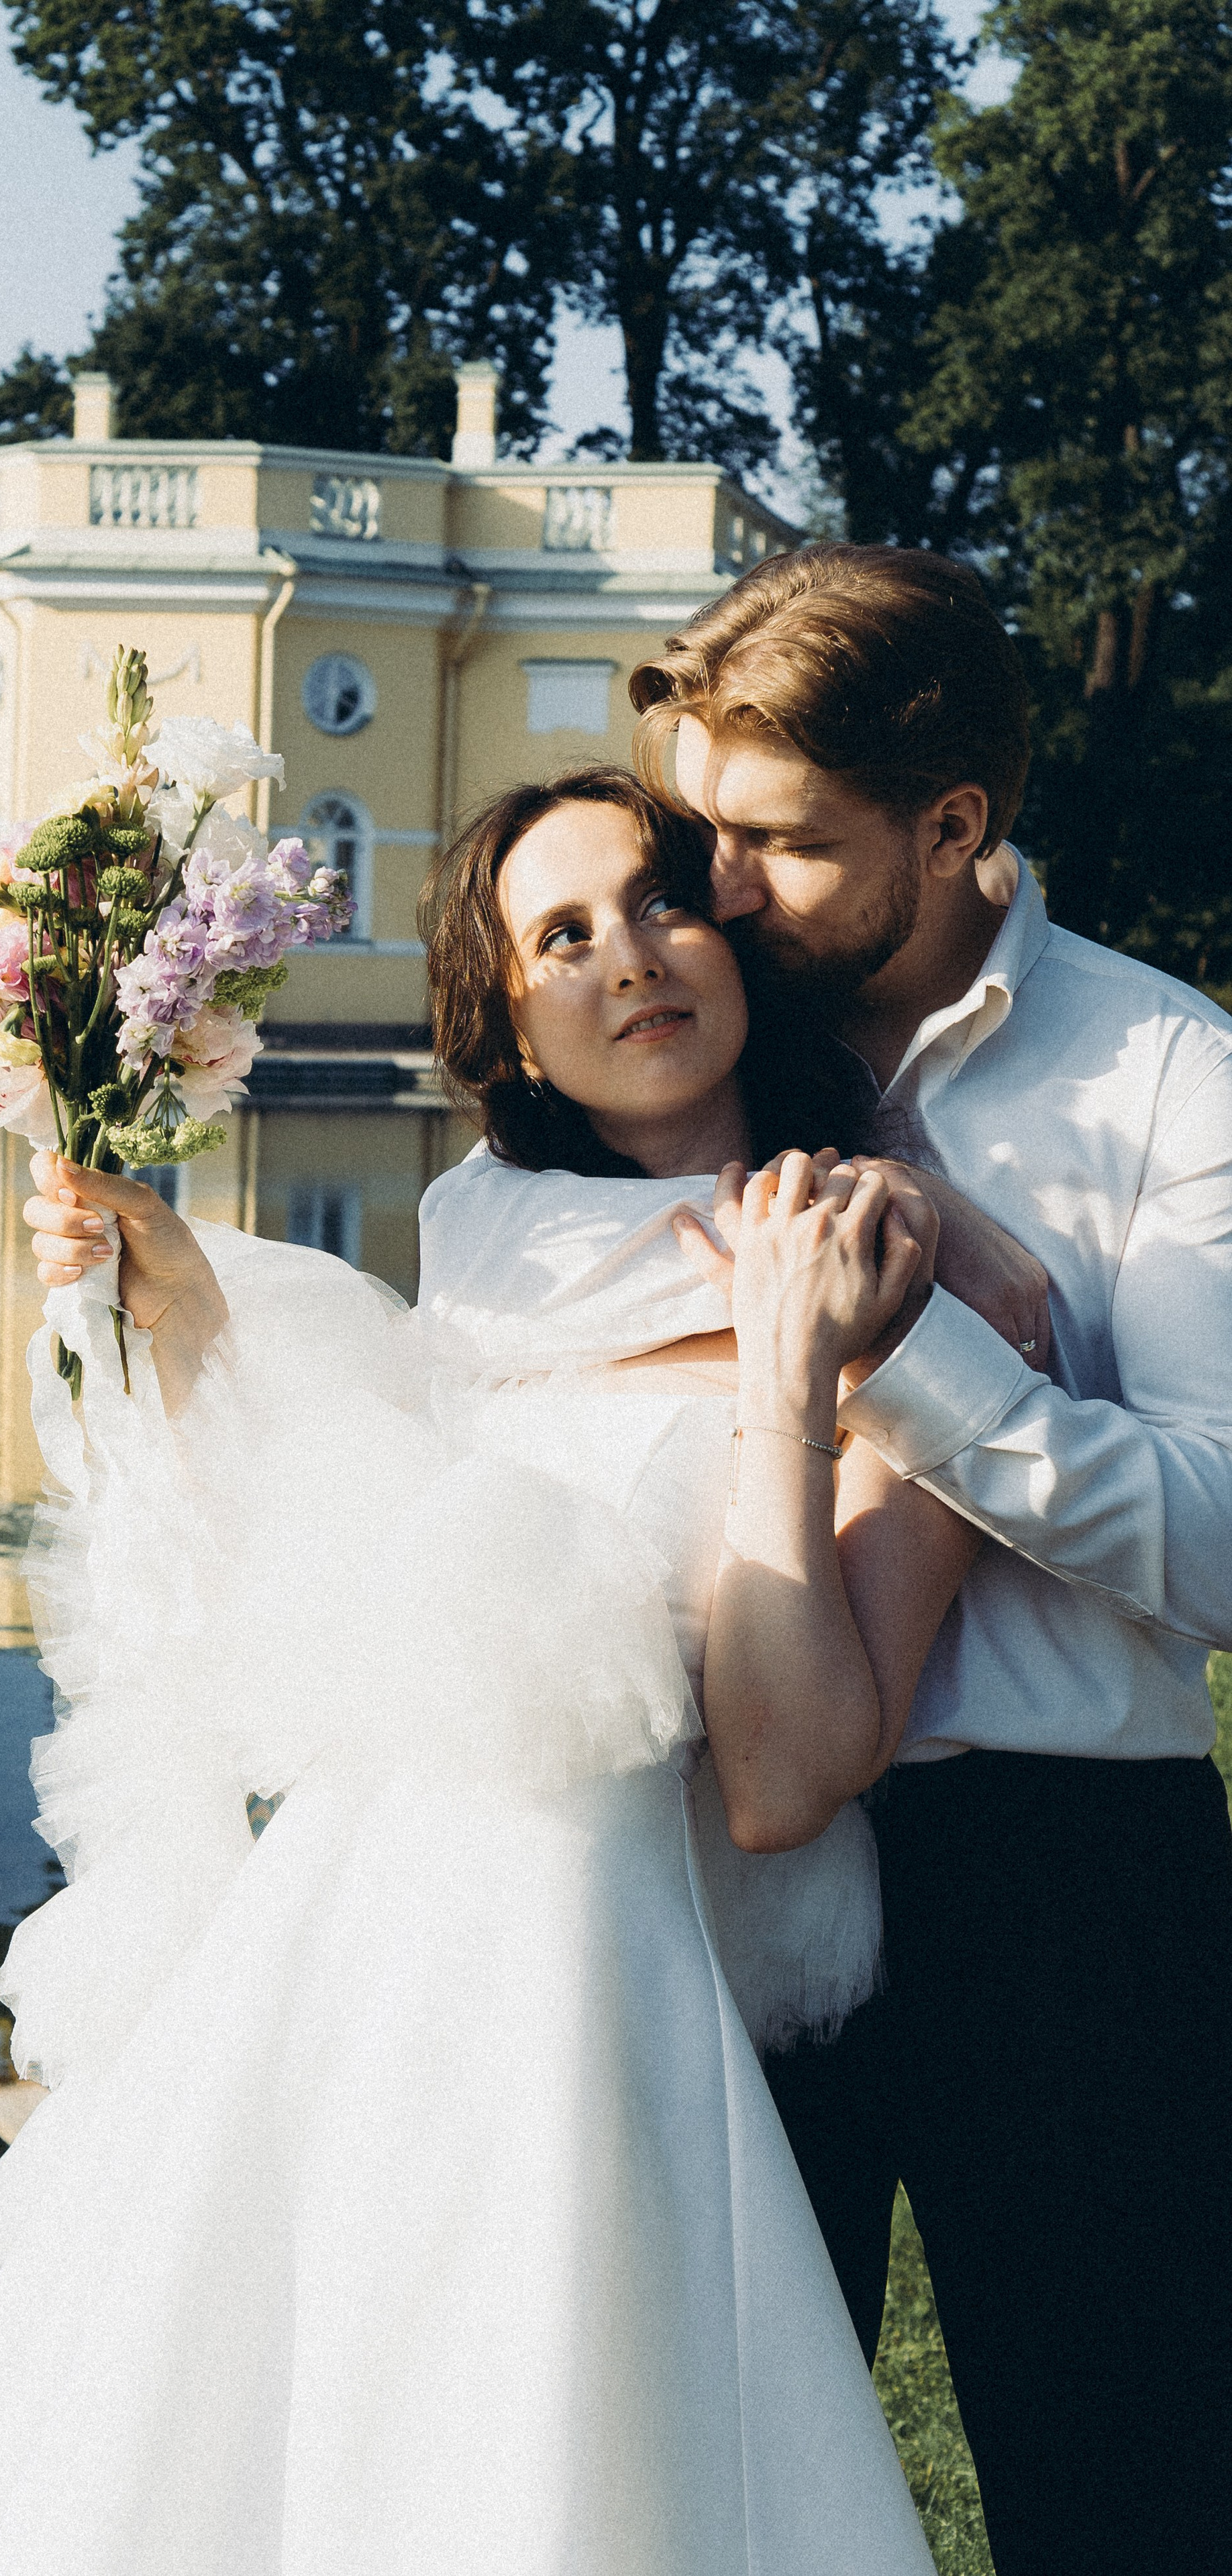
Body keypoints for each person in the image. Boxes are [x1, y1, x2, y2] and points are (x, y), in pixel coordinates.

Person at [0, 767, 1003, 2574]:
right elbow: (349, 1577)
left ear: (737, 938)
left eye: (661, 902)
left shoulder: (889, 1243)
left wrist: (786, 1374)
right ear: (513, 1020)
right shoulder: (483, 1239)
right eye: (562, 935)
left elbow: (789, 1779)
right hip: (366, 1938)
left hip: (608, 1968)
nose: (630, 959)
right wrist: (177, 1299)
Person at [432, 545, 1232, 2576]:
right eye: (704, 834)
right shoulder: (661, 1068)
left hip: (1065, 1884)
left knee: (1122, 2486)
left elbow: (1226, 1546)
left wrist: (923, 1376)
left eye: (775, 846)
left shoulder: (1168, 1077)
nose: (714, 897)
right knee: (687, 2482)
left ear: (952, 827)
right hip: (710, 1876)